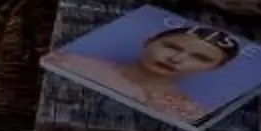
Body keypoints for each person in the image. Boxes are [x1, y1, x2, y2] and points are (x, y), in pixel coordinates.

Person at [48, 21, 242, 124]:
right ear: (150, 41)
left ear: (215, 68)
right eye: (171, 47)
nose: (176, 59)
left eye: (200, 58)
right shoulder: (73, 63)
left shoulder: (190, 114)